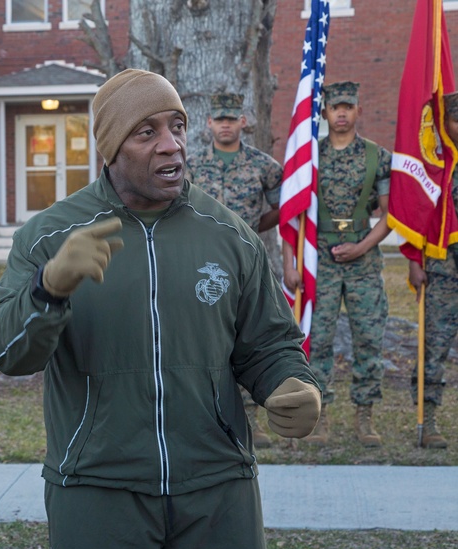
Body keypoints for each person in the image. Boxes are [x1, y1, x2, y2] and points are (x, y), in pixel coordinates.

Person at [0, 69, 321, 549]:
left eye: (177, 127)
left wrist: (292, 383)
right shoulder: (50, 236)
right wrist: (48, 289)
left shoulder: (228, 235)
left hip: (218, 488)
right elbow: (7, 353)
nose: (171, 145)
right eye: (147, 132)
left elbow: (268, 345)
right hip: (97, 490)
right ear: (111, 147)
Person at [283, 81, 393, 448]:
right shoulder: (310, 157)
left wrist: (361, 247)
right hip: (322, 260)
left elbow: (389, 217)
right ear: (325, 112)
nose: (342, 113)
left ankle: (365, 416)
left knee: (368, 338)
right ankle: (320, 415)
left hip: (363, 260)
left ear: (359, 110)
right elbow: (294, 214)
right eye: (335, 107)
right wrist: (291, 262)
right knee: (319, 341)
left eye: (348, 106)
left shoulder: (378, 157)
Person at [187, 92, 284, 448]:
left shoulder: (264, 165)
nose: (226, 124)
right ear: (209, 123)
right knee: (207, 338)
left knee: (248, 337)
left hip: (246, 263)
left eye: (232, 118)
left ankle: (251, 421)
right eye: (219, 118)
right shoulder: (192, 166)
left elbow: (284, 208)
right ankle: (206, 418)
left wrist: (253, 227)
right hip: (202, 264)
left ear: (243, 122)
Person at [407, 91, 458, 449]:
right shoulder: (434, 165)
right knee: (435, 344)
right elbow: (415, 211)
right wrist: (412, 260)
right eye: (455, 118)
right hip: (442, 267)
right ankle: (430, 420)